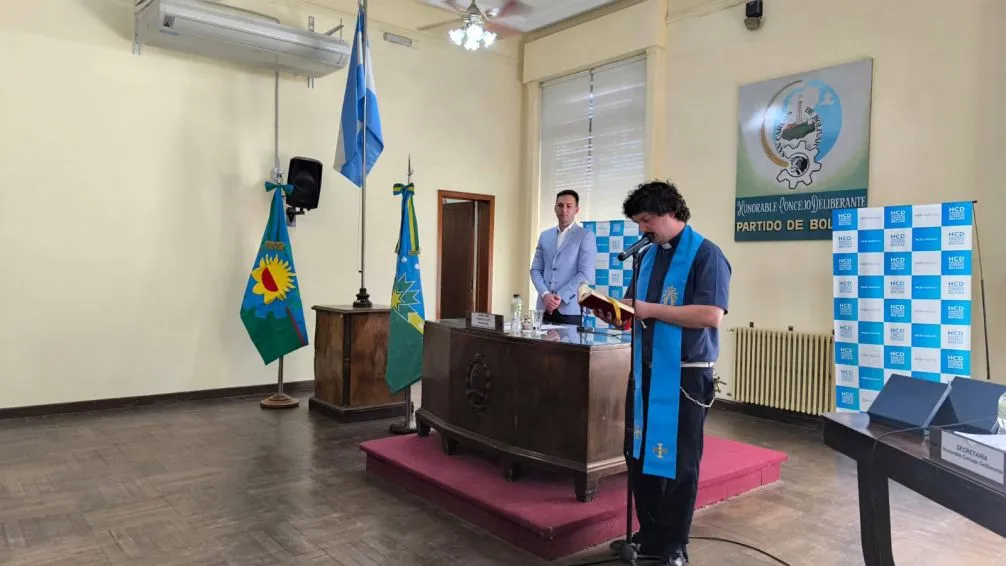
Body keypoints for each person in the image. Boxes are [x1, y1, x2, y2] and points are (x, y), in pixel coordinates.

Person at [596, 180, 731, 566]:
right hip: (644, 370)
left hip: (686, 375)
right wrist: (612, 309)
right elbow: (634, 307)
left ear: (671, 213)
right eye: (639, 222)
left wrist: (650, 310)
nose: (642, 229)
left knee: (680, 462)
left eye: (647, 220)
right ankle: (650, 533)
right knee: (637, 452)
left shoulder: (708, 255)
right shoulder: (648, 256)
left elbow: (710, 315)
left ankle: (675, 543)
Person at [530, 190, 598, 326]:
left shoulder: (585, 236)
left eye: (569, 206)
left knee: (568, 347)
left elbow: (585, 274)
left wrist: (559, 297)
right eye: (560, 205)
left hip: (569, 309)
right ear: (555, 208)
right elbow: (535, 269)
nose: (564, 210)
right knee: (541, 347)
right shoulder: (545, 235)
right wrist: (545, 295)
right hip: (544, 308)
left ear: (576, 210)